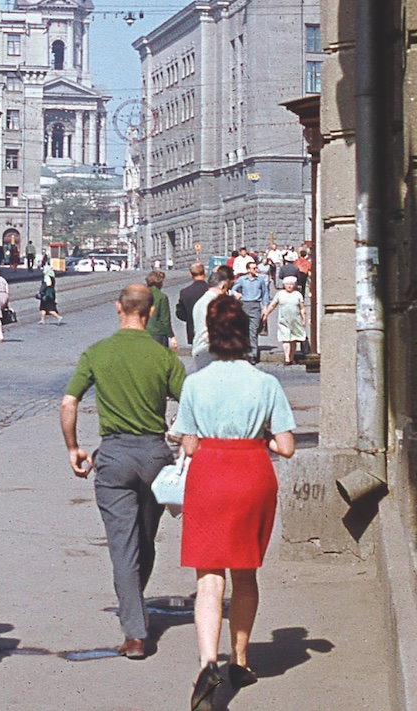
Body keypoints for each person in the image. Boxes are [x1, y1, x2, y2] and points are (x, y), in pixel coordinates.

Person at [176, 294, 296, 710]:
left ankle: (207, 663)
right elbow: (286, 446)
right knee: (245, 573)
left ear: (209, 336)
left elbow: (188, 444)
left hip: (209, 473)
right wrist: (258, 437)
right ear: (246, 336)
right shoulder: (266, 383)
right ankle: (239, 659)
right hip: (251, 474)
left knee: (209, 579)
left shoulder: (195, 384)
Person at [61, 284, 186, 659]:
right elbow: (192, 400)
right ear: (149, 314)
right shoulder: (162, 356)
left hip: (113, 456)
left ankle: (135, 633)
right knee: (146, 538)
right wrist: (181, 434)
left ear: (118, 309)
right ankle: (136, 605)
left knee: (122, 545)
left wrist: (72, 447)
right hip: (154, 455)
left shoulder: (97, 352)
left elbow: (68, 402)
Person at [191, 266, 233, 370]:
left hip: (199, 350)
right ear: (223, 286)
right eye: (226, 289)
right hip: (211, 351)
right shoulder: (216, 304)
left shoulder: (200, 302)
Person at [232, 259, 271, 365]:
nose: (256, 269)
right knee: (243, 331)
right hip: (244, 305)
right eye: (254, 268)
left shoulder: (260, 280)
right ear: (248, 270)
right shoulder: (242, 279)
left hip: (255, 306)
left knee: (253, 331)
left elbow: (265, 294)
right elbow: (232, 289)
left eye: (256, 267)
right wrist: (236, 294)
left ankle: (253, 354)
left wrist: (265, 307)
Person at [262, 274, 307, 365]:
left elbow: (302, 308)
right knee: (285, 338)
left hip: (295, 320)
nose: (289, 286)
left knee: (293, 339)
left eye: (291, 284)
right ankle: (287, 358)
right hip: (283, 319)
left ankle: (291, 357)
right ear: (284, 285)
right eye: (287, 284)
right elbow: (273, 305)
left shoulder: (297, 295)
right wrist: (266, 313)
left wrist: (304, 319)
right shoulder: (280, 294)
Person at [144, 269, 177, 350]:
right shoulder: (162, 297)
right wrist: (171, 336)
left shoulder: (141, 295)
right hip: (158, 334)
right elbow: (165, 320)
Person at [176, 262, 207, 346]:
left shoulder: (185, 292)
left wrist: (190, 319)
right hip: (211, 330)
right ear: (205, 272)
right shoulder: (212, 290)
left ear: (190, 275)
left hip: (193, 329)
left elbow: (180, 313)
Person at [38, 259, 62, 323]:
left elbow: (48, 284)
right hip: (47, 295)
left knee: (50, 309)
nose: (43, 271)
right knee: (43, 308)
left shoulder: (47, 277)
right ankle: (42, 320)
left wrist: (42, 290)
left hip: (48, 295)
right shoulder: (51, 276)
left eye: (44, 270)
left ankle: (58, 317)